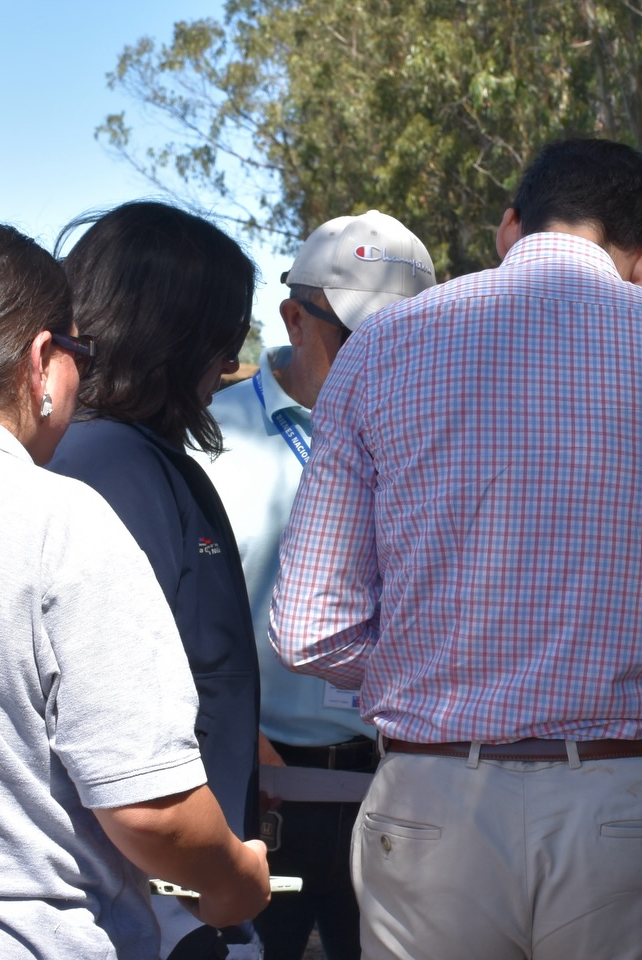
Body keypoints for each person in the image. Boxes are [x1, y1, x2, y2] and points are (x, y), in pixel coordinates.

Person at [272, 137, 642, 960]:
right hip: (634, 790)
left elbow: (308, 627)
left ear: (510, 228)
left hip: (435, 800)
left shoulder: (383, 348)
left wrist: (439, 676)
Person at [0, 222, 269, 959]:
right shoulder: (59, 517)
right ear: (42, 361)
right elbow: (150, 811)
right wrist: (233, 882)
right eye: (77, 353)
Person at [194, 210, 436, 960]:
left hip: (405, 791)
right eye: (362, 336)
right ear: (294, 318)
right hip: (258, 793)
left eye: (413, 332)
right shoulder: (209, 440)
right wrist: (240, 748)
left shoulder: (446, 435)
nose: (391, 356)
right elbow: (172, 624)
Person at [47, 200, 263, 960]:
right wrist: (209, 887)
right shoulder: (104, 469)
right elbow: (118, 740)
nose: (230, 362)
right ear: (176, 333)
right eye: (223, 334)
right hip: (142, 905)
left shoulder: (136, 457)